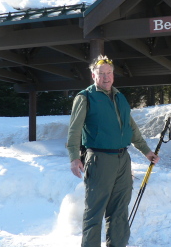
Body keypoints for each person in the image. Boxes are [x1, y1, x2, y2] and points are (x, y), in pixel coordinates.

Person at [66, 54, 160, 247]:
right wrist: (74, 157)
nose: (106, 77)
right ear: (94, 75)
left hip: (122, 159)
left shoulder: (120, 97)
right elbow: (74, 129)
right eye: (101, 73)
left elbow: (131, 127)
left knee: (119, 210)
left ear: (113, 75)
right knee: (95, 211)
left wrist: (146, 151)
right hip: (99, 159)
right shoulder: (85, 97)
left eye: (109, 73)